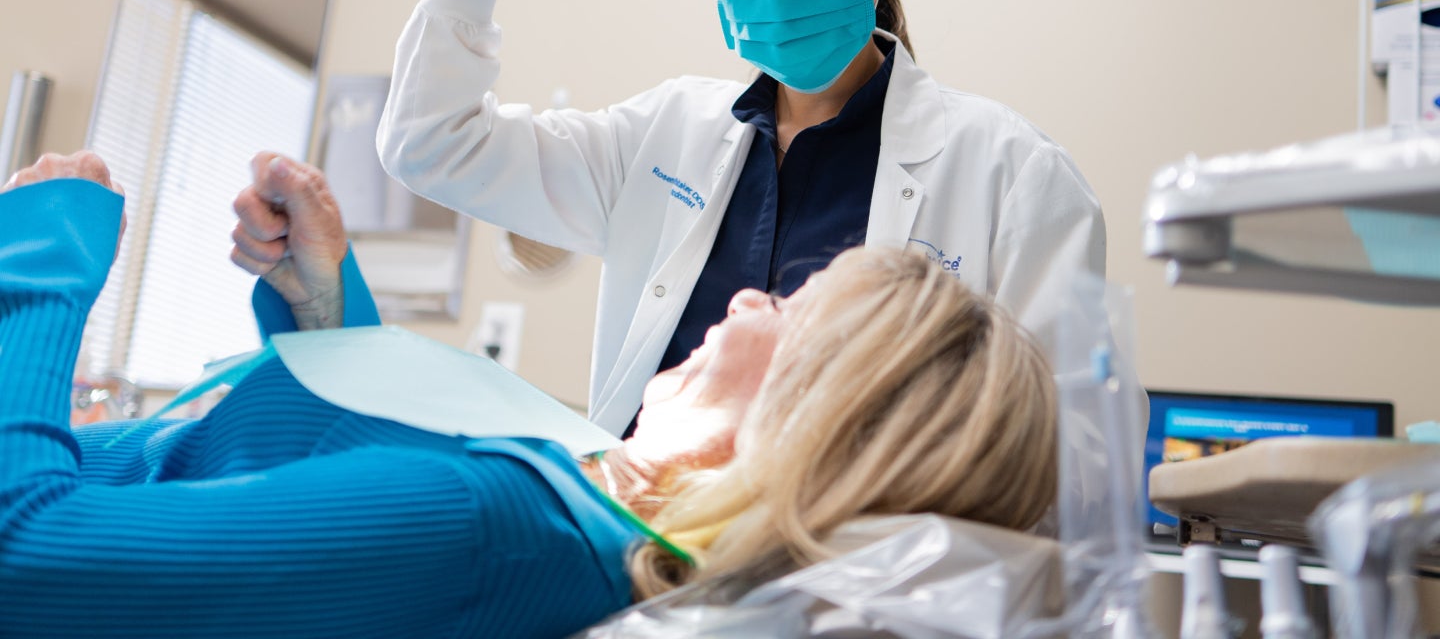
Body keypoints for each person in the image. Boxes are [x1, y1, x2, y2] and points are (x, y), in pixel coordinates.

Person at [0, 149, 1056, 639]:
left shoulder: (495, 530)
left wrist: (42, 258)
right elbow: (349, 501)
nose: (743, 300)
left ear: (830, 413)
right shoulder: (586, 485)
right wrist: (320, 303)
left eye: (792, 304)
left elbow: (25, 554)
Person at [376, 0, 1106, 437]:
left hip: (863, 573)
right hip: (646, 560)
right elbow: (431, 143)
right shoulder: (661, 138)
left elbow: (1077, 453)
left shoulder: (1009, 173)